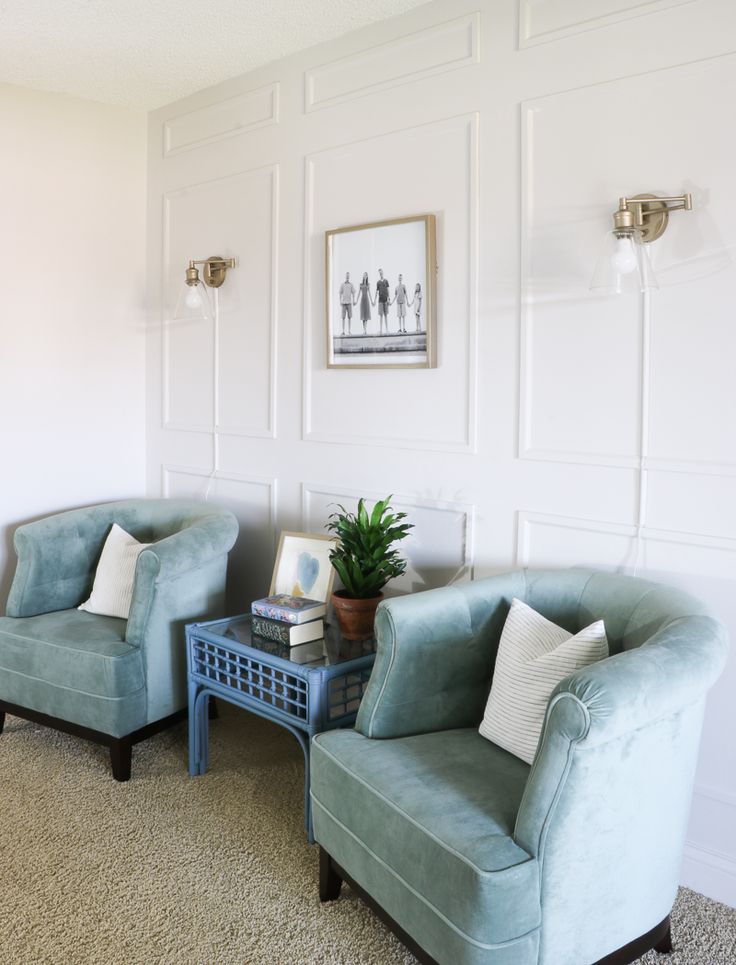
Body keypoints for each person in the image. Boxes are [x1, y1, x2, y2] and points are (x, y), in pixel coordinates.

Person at [375, 268, 390, 335]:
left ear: (383, 273)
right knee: (381, 315)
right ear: (379, 274)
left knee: (386, 315)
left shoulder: (386, 281)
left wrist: (388, 298)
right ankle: (381, 330)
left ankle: (387, 329)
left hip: (385, 299)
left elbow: (388, 290)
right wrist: (375, 300)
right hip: (380, 300)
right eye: (379, 273)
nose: (381, 274)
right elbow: (377, 291)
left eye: (381, 272)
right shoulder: (378, 282)